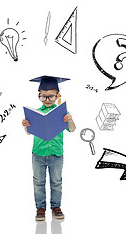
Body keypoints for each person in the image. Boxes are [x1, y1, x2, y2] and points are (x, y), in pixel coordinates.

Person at [22, 76, 76, 221]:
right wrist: (26, 125)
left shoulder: (61, 113)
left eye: (51, 96)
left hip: (56, 154)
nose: (47, 100)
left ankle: (56, 207)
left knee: (56, 181)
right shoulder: (35, 113)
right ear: (39, 95)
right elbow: (28, 133)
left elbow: (72, 130)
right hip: (38, 153)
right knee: (38, 181)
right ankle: (40, 208)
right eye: (43, 96)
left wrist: (70, 120)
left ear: (57, 96)